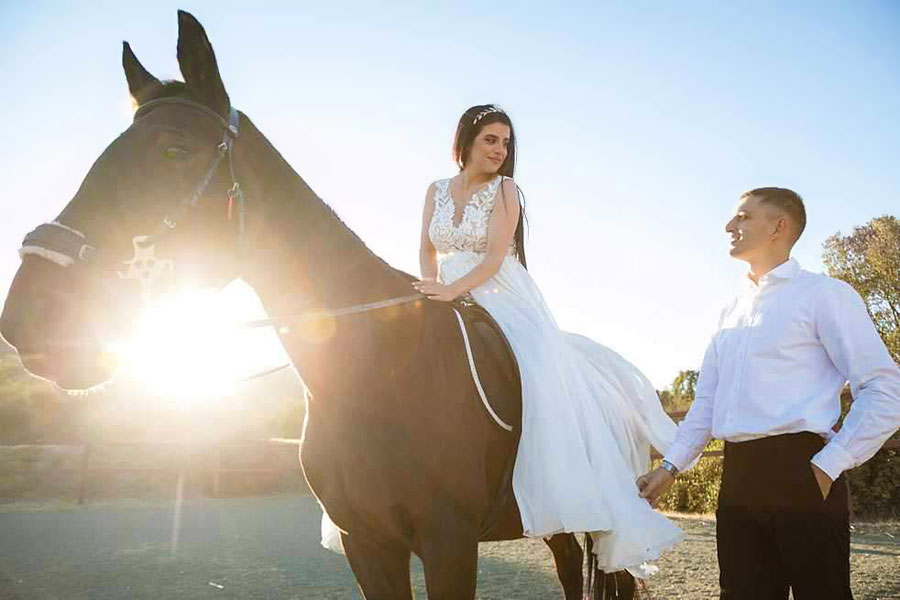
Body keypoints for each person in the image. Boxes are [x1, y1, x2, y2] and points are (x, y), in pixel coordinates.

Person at [411, 104, 683, 577]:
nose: (499, 150)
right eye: (490, 140)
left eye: (505, 142)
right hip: (445, 290)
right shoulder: (435, 190)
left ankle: (562, 474)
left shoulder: (507, 190)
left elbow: (496, 257)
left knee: (537, 369)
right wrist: (432, 291)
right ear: (465, 143)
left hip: (499, 292)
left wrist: (455, 291)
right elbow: (426, 249)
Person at [636, 188, 900, 599]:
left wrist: (829, 464)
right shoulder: (729, 312)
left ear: (779, 226)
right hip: (737, 481)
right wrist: (669, 468)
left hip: (804, 473)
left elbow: (885, 388)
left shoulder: (825, 295)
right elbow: (705, 405)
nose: (729, 226)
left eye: (742, 217)